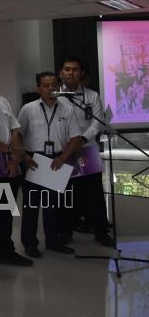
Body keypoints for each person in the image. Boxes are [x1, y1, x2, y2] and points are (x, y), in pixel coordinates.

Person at [17, 71, 83, 257]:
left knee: (54, 205)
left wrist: (63, 158)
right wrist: (23, 157)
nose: (51, 88)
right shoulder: (28, 109)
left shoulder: (67, 108)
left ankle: (54, 241)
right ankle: (30, 243)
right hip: (33, 159)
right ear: (39, 88)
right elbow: (17, 134)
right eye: (46, 85)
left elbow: (75, 137)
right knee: (31, 206)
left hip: (57, 159)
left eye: (54, 84)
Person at [59, 56, 113, 246]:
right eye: (66, 69)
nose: (70, 73)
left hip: (86, 149)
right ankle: (65, 232)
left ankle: (101, 231)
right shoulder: (55, 96)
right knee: (65, 193)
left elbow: (97, 122)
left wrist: (81, 139)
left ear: (81, 73)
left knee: (94, 193)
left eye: (74, 69)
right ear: (61, 73)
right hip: (63, 151)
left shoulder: (92, 95)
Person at [0, 68, 33, 267]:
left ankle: (6, 250)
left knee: (5, 210)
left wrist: (14, 155)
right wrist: (10, 150)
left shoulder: (1, 100)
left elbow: (14, 128)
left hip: (7, 164)